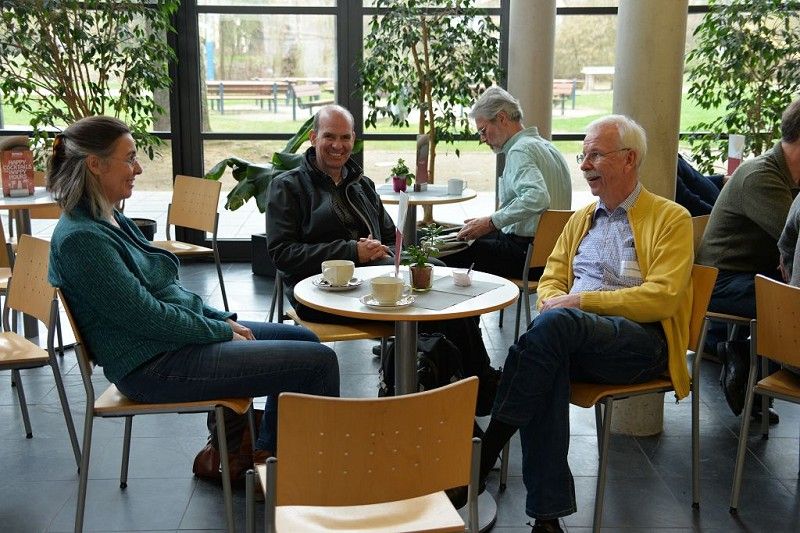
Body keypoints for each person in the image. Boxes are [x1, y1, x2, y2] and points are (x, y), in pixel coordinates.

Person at [46, 116, 340, 466]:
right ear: (95, 164)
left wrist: (220, 319)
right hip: (151, 366)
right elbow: (147, 316)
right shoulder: (82, 239)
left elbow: (166, 294)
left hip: (168, 346)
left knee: (305, 338)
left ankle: (266, 453)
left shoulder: (106, 216)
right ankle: (310, 474)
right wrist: (220, 330)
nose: (138, 168)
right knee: (319, 363)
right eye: (130, 158)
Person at [451, 115, 693, 533]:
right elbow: (552, 277)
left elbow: (662, 297)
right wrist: (554, 301)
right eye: (583, 155)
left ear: (629, 159)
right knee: (546, 360)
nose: (583, 165)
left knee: (554, 331)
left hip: (640, 343)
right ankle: (547, 520)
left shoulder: (671, 218)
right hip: (573, 341)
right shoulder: (581, 219)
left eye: (595, 155)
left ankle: (486, 452)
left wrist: (579, 302)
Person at [266, 104, 499, 412]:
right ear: (313, 138)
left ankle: (457, 391)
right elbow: (283, 254)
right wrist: (352, 251)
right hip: (321, 294)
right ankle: (472, 390)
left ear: (353, 139)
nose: (338, 145)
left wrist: (386, 250)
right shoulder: (288, 186)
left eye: (345, 137)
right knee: (440, 309)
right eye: (329, 137)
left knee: (443, 282)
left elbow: (391, 237)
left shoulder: (361, 185)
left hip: (378, 283)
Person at [696, 98, 800, 421]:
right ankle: (746, 359)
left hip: (748, 274)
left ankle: (748, 362)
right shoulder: (762, 177)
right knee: (790, 306)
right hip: (720, 282)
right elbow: (793, 240)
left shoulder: (786, 176)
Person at [443, 86, 572, 279]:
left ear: (502, 118)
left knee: (447, 253)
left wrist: (491, 222)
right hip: (553, 257)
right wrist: (488, 222)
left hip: (527, 258)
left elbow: (537, 197)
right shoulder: (549, 148)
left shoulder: (520, 150)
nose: (483, 139)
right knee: (469, 235)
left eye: (483, 130)